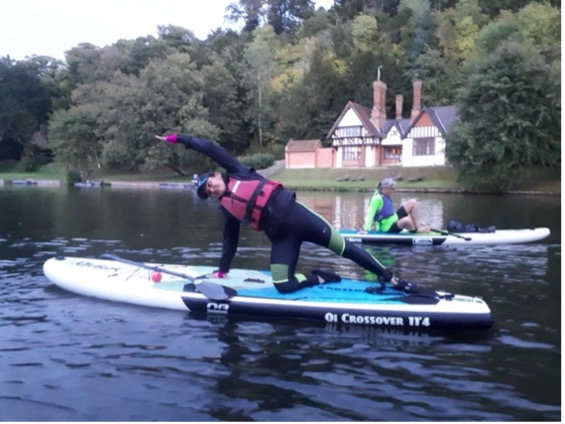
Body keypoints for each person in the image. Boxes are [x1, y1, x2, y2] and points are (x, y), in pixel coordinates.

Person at [155, 133, 418, 294]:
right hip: (281, 238)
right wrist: (222, 271)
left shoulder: (237, 171)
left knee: (345, 248)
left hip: (299, 218)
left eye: (209, 185)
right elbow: (229, 242)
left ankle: (392, 278)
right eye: (207, 193)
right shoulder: (228, 210)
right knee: (282, 285)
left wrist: (178, 140)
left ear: (214, 176)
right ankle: (320, 276)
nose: (211, 190)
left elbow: (210, 147)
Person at [361, 178, 430, 234]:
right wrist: (366, 229)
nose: (394, 190)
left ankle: (417, 227)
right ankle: (416, 230)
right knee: (407, 220)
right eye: (392, 189)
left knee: (413, 202)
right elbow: (370, 214)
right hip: (386, 227)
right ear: (385, 188)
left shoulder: (385, 195)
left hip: (394, 218)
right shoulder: (376, 198)